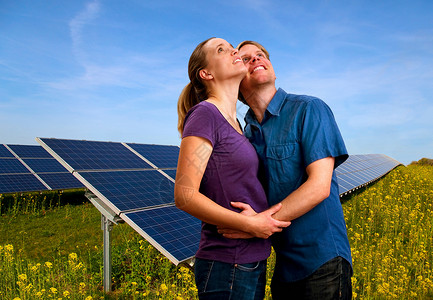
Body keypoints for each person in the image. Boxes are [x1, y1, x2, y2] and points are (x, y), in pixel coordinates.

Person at [220, 40, 353, 299]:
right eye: (245, 59)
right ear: (236, 81)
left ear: (272, 68)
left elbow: (319, 186)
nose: (256, 59)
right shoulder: (245, 135)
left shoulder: (309, 109)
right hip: (283, 268)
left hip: (322, 261)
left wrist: (257, 223)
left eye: (260, 55)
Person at [174, 37, 291, 300]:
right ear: (206, 73)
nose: (233, 51)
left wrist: (256, 227)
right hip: (227, 263)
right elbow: (184, 194)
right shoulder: (205, 115)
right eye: (221, 50)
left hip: (250, 261)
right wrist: (250, 225)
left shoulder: (238, 124)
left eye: (232, 47)